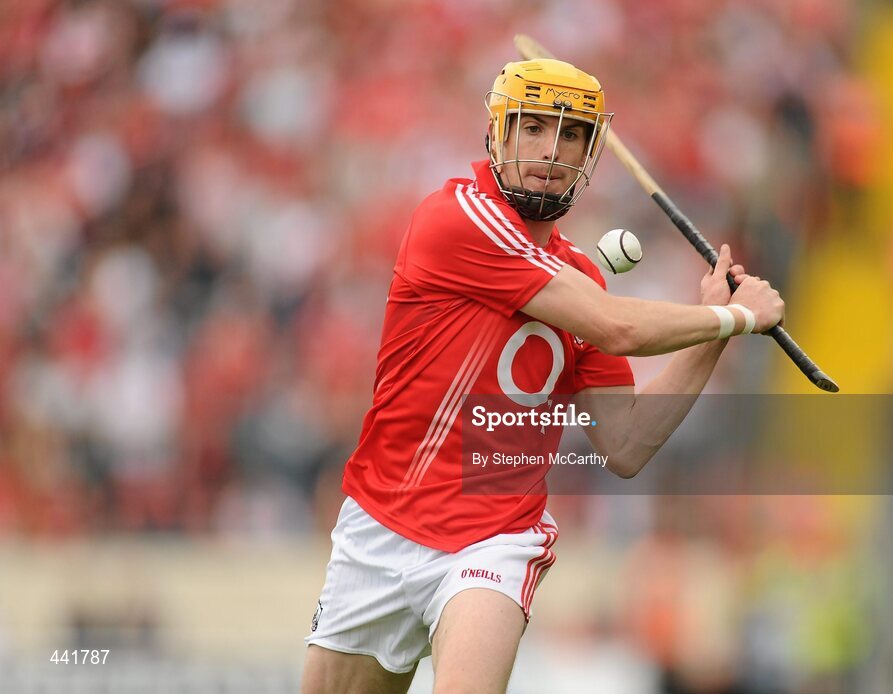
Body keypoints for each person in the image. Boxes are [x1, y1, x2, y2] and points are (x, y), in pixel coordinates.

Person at [300, 58, 784, 694]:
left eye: (570, 135)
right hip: (380, 528)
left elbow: (627, 443)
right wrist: (731, 317)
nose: (550, 150)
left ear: (590, 153)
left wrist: (711, 338)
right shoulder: (455, 220)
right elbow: (619, 329)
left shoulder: (581, 278)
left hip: (493, 542)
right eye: (531, 128)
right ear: (498, 135)